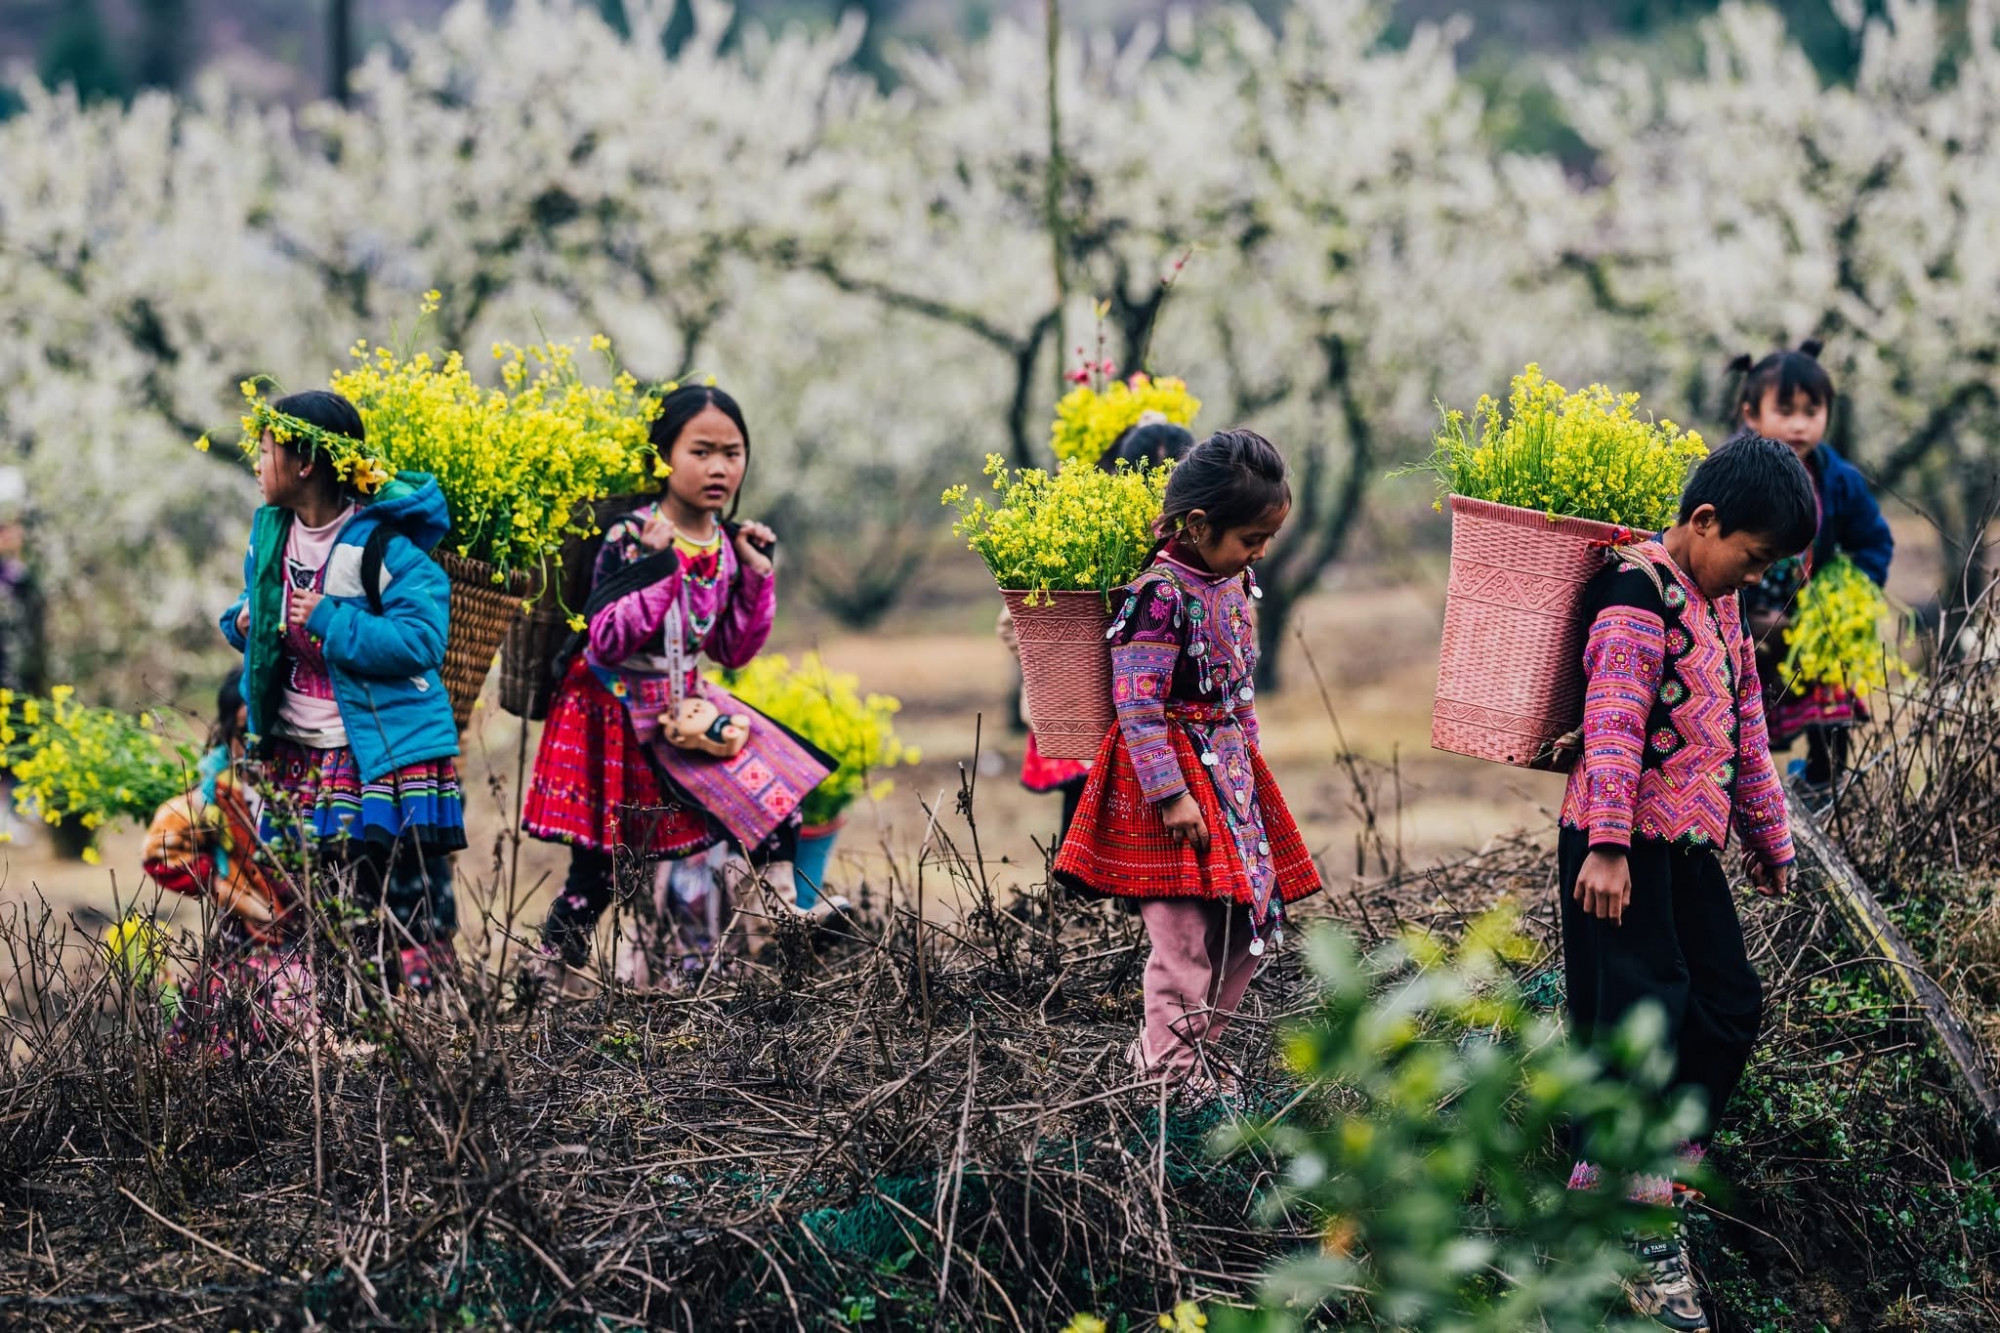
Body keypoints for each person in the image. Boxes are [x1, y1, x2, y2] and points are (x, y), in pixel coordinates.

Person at [1558, 436, 1816, 1331]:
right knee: (1639, 1012)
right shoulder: (1637, 591)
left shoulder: (1721, 603)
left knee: (1729, 1001)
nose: (1753, 576)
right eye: (1751, 556)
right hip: (1617, 849)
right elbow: (1615, 721)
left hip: (1687, 845)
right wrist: (1608, 844)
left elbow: (1746, 723)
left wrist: (1769, 837)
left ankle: (1647, 1170)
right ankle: (1634, 1221)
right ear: (1704, 522)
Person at [523, 384, 831, 978]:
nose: (719, 467)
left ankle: (785, 919)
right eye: (701, 451)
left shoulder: (726, 542)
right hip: (611, 711)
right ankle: (540, 980)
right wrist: (656, 568)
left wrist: (758, 577)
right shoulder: (630, 536)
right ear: (663, 456)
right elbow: (608, 640)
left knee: (774, 797)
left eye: (733, 452)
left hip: (683, 705)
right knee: (600, 872)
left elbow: (731, 649)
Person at [1053, 429, 1321, 1102]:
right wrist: (1171, 795)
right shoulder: (1160, 594)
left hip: (1229, 777)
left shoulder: (1232, 582)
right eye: (1250, 539)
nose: (1259, 554)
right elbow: (1136, 704)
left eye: (1267, 540)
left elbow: (1239, 690)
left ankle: (1185, 1054)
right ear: (1199, 524)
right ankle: (1169, 1080)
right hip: (1169, 789)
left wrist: (1249, 772)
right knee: (1181, 938)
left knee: (1245, 925)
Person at [219, 389, 465, 1004]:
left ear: (306, 464)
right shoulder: (271, 535)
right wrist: (241, 622)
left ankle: (376, 1022)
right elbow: (253, 610)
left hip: (363, 751)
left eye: (267, 450)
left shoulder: (381, 546)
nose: (257, 463)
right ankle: (331, 1025)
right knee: (312, 896)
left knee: (363, 893)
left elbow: (422, 640)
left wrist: (331, 619)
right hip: (296, 747)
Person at [1005, 415, 1198, 849]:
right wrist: (1056, 671)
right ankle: (1083, 911)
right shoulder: (1088, 530)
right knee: (1087, 824)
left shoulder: (1205, 542)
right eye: (1146, 480)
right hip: (1094, 714)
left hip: (1168, 721)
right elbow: (1020, 620)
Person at [1728, 340, 1893, 790]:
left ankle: (1825, 785)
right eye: (1785, 411)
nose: (1800, 424)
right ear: (1751, 415)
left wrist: (1844, 602)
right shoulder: (1733, 472)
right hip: (1744, 618)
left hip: (1810, 622)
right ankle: (1739, 796)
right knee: (1732, 719)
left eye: (1812, 410)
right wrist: (1744, 617)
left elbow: (1873, 542)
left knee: (1832, 699)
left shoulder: (1837, 479)